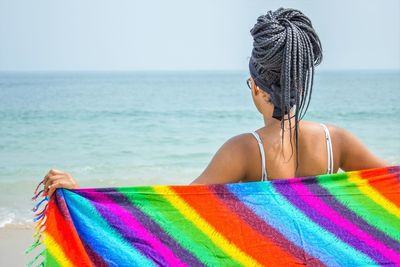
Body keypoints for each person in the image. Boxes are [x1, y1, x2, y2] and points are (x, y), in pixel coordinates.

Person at [42, 7, 387, 197]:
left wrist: (82, 196)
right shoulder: (336, 142)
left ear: (255, 87)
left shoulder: (245, 150)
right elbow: (391, 189)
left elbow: (172, 209)